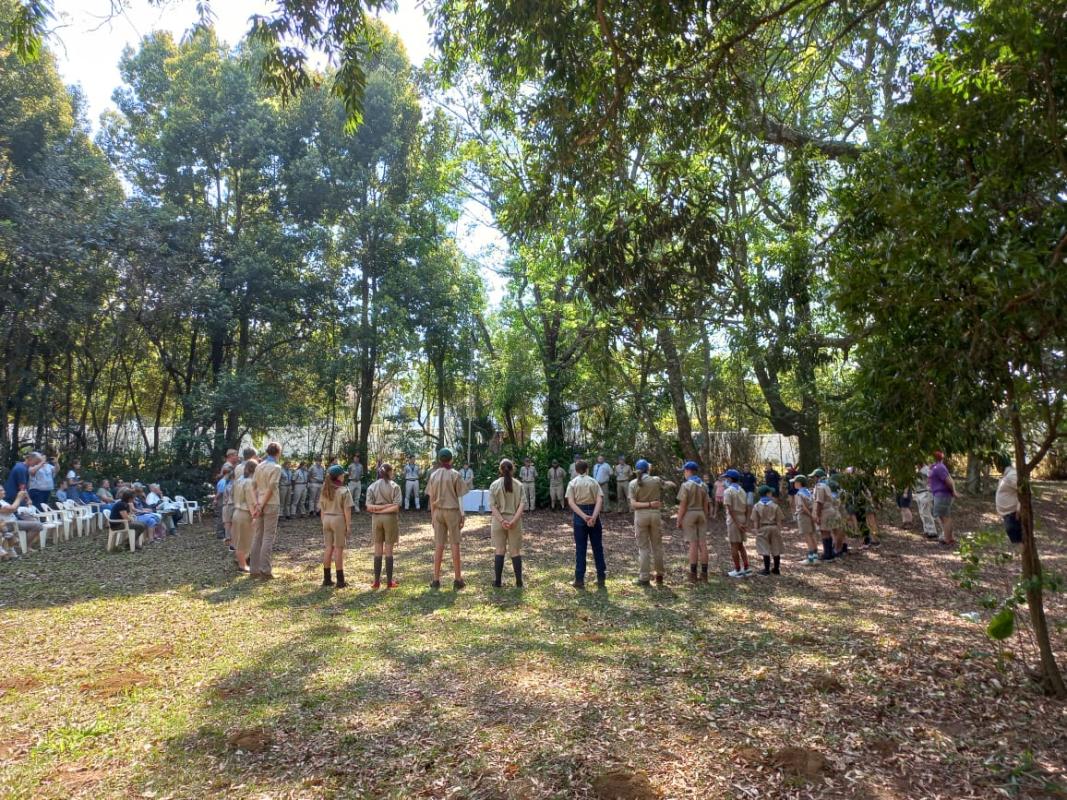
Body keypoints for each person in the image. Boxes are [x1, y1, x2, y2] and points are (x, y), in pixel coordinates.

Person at [427, 448, 466, 590]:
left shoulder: (434, 475)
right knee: (455, 544)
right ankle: (457, 579)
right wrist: (462, 514)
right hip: (452, 512)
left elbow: (431, 498)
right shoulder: (456, 474)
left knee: (439, 545)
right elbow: (460, 497)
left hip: (438, 512)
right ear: (451, 459)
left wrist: (432, 516)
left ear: (439, 460)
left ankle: (436, 579)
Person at [566, 459, 606, 589]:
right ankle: (601, 578)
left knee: (580, 548)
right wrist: (593, 517)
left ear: (576, 470)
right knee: (597, 547)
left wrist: (583, 516)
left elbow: (571, 503)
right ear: (587, 469)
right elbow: (599, 500)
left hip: (580, 515)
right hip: (593, 513)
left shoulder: (573, 483)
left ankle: (579, 579)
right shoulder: (593, 482)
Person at [622, 459, 663, 586]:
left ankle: (644, 577)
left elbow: (633, 504)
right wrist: (652, 503)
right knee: (657, 546)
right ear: (648, 469)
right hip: (655, 514)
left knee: (643, 547)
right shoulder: (656, 480)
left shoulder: (633, 483)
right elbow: (668, 485)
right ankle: (660, 575)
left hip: (641, 515)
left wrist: (646, 504)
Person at [366, 462, 402, 589]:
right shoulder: (395, 486)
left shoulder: (372, 486)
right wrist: (387, 507)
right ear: (389, 472)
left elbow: (369, 507)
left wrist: (378, 510)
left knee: (377, 550)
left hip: (376, 519)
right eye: (392, 471)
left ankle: (376, 581)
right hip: (390, 519)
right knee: (388, 550)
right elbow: (396, 507)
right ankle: (389, 581)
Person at [489, 458, 525, 588]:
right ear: (513, 469)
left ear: (500, 469)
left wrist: (502, 520)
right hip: (514, 520)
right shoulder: (519, 485)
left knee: (500, 550)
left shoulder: (494, 485)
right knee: (515, 551)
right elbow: (522, 504)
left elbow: (492, 507)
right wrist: (513, 520)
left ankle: (498, 581)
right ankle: (519, 581)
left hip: (499, 522)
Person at [249, 442, 283, 580]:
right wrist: (261, 505)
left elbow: (252, 487)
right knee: (268, 536)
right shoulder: (276, 467)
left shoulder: (259, 466)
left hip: (260, 503)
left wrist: (257, 503)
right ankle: (265, 570)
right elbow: (271, 489)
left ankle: (254, 569)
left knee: (258, 536)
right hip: (271, 503)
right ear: (278, 452)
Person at [319, 465, 354, 588]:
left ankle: (327, 579)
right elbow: (347, 510)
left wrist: (324, 521)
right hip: (338, 519)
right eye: (343, 474)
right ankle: (340, 580)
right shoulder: (344, 490)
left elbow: (322, 510)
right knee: (338, 550)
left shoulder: (325, 489)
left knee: (328, 548)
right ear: (339, 476)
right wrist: (348, 526)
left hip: (327, 519)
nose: (344, 476)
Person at [676, 461, 710, 582]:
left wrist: (679, 520)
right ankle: (705, 574)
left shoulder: (686, 485)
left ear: (688, 471)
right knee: (703, 544)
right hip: (701, 513)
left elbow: (683, 505)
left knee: (693, 544)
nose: (684, 473)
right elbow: (707, 505)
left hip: (690, 513)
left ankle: (693, 574)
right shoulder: (704, 485)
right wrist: (705, 517)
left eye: (684, 471)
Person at [722, 469, 752, 577]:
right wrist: (746, 521)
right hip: (742, 517)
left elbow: (730, 509)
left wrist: (737, 523)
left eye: (726, 478)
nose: (725, 480)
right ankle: (746, 567)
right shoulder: (743, 490)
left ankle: (738, 569)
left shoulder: (728, 491)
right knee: (740, 544)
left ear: (730, 479)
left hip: (733, 519)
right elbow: (749, 506)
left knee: (734, 544)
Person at [753, 485, 786, 575]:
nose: (772, 494)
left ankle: (766, 569)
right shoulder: (775, 506)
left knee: (764, 548)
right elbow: (779, 520)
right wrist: (779, 529)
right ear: (767, 494)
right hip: (774, 527)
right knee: (776, 547)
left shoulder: (756, 506)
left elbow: (755, 521)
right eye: (771, 493)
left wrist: (756, 530)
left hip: (763, 528)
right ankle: (776, 568)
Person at [0, 486, 43, 556]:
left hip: (13, 521)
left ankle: (23, 545)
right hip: (8, 524)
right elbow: (11, 509)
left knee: (34, 521)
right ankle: (25, 546)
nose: (4, 492)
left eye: (3, 490)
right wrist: (19, 497)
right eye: (1, 490)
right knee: (37, 525)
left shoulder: (2, 501)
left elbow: (13, 510)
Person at [231, 460, 257, 573]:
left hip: (236, 512)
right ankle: (242, 565)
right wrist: (254, 516)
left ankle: (241, 561)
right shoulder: (249, 482)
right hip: (245, 513)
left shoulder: (239, 480)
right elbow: (250, 501)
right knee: (244, 541)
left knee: (238, 539)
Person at [929, 451, 959, 546]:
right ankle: (950, 538)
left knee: (945, 518)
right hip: (940, 494)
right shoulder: (936, 467)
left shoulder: (939, 468)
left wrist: (953, 491)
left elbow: (949, 481)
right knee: (944, 517)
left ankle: (947, 539)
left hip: (942, 495)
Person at [792, 475, 818, 564]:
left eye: (795, 482)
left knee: (807, 537)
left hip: (804, 516)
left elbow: (803, 507)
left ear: (799, 483)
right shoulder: (808, 491)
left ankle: (811, 558)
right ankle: (815, 556)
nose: (794, 484)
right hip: (810, 515)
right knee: (812, 535)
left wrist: (811, 516)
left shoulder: (799, 493)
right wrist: (813, 515)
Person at [812, 469, 836, 560]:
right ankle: (830, 553)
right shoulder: (826, 485)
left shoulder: (820, 487)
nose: (813, 478)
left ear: (817, 477)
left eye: (814, 476)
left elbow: (819, 502)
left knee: (824, 532)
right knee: (827, 532)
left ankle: (827, 555)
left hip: (824, 511)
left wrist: (817, 515)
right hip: (829, 510)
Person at [995, 464, 1022, 547]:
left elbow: (1025, 492)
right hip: (1008, 514)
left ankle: (1023, 558)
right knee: (1016, 540)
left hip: (1013, 514)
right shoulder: (1007, 475)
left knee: (1019, 541)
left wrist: (1019, 508)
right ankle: (1021, 557)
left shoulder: (1012, 475)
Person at [914, 466, 939, 539]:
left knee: (926, 512)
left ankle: (932, 531)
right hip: (918, 492)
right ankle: (926, 530)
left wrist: (930, 487)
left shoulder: (925, 469)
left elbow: (931, 476)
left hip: (925, 492)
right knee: (922, 513)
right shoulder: (915, 469)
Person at [218, 464, 235, 549]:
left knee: (227, 524)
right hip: (230, 505)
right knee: (231, 524)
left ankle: (228, 541)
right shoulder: (232, 484)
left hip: (226, 505)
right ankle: (231, 542)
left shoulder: (226, 483)